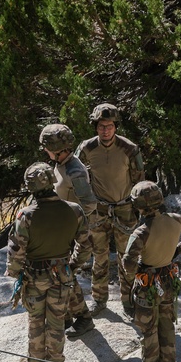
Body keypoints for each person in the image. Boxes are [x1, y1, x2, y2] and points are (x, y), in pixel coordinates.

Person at [5, 162, 91, 362]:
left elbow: (16, 252)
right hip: (62, 275)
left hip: (34, 277)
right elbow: (85, 245)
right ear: (52, 181)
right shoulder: (74, 209)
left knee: (36, 321)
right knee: (56, 322)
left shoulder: (26, 215)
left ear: (31, 186)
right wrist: (72, 266)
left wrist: (16, 274)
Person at [122, 181, 181, 362]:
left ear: (137, 206)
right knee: (166, 322)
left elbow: (128, 262)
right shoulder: (177, 220)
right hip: (168, 279)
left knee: (148, 328)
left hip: (147, 284)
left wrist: (133, 279)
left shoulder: (141, 232)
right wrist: (179, 250)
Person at [75, 103, 145, 317]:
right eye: (101, 126)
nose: (105, 130)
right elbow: (75, 176)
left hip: (124, 209)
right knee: (99, 257)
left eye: (109, 126)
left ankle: (129, 300)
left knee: (127, 257)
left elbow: (139, 180)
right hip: (98, 210)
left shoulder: (129, 149)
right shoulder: (86, 148)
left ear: (116, 126)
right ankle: (98, 299)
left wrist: (138, 208)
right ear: (95, 127)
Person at [40, 122, 98, 339]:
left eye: (47, 147)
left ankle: (83, 318)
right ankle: (66, 317)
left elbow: (89, 205)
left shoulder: (74, 171)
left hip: (70, 232)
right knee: (61, 275)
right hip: (61, 230)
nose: (45, 151)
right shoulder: (62, 164)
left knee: (66, 275)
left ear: (57, 149)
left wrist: (68, 222)